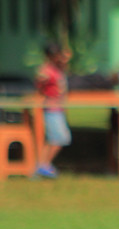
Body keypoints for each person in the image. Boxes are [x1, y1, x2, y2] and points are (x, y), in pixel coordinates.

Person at [34, 42, 71, 179]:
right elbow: (40, 82)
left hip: (59, 108)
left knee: (53, 139)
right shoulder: (46, 70)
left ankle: (41, 166)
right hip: (51, 108)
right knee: (60, 138)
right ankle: (44, 166)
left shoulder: (58, 69)